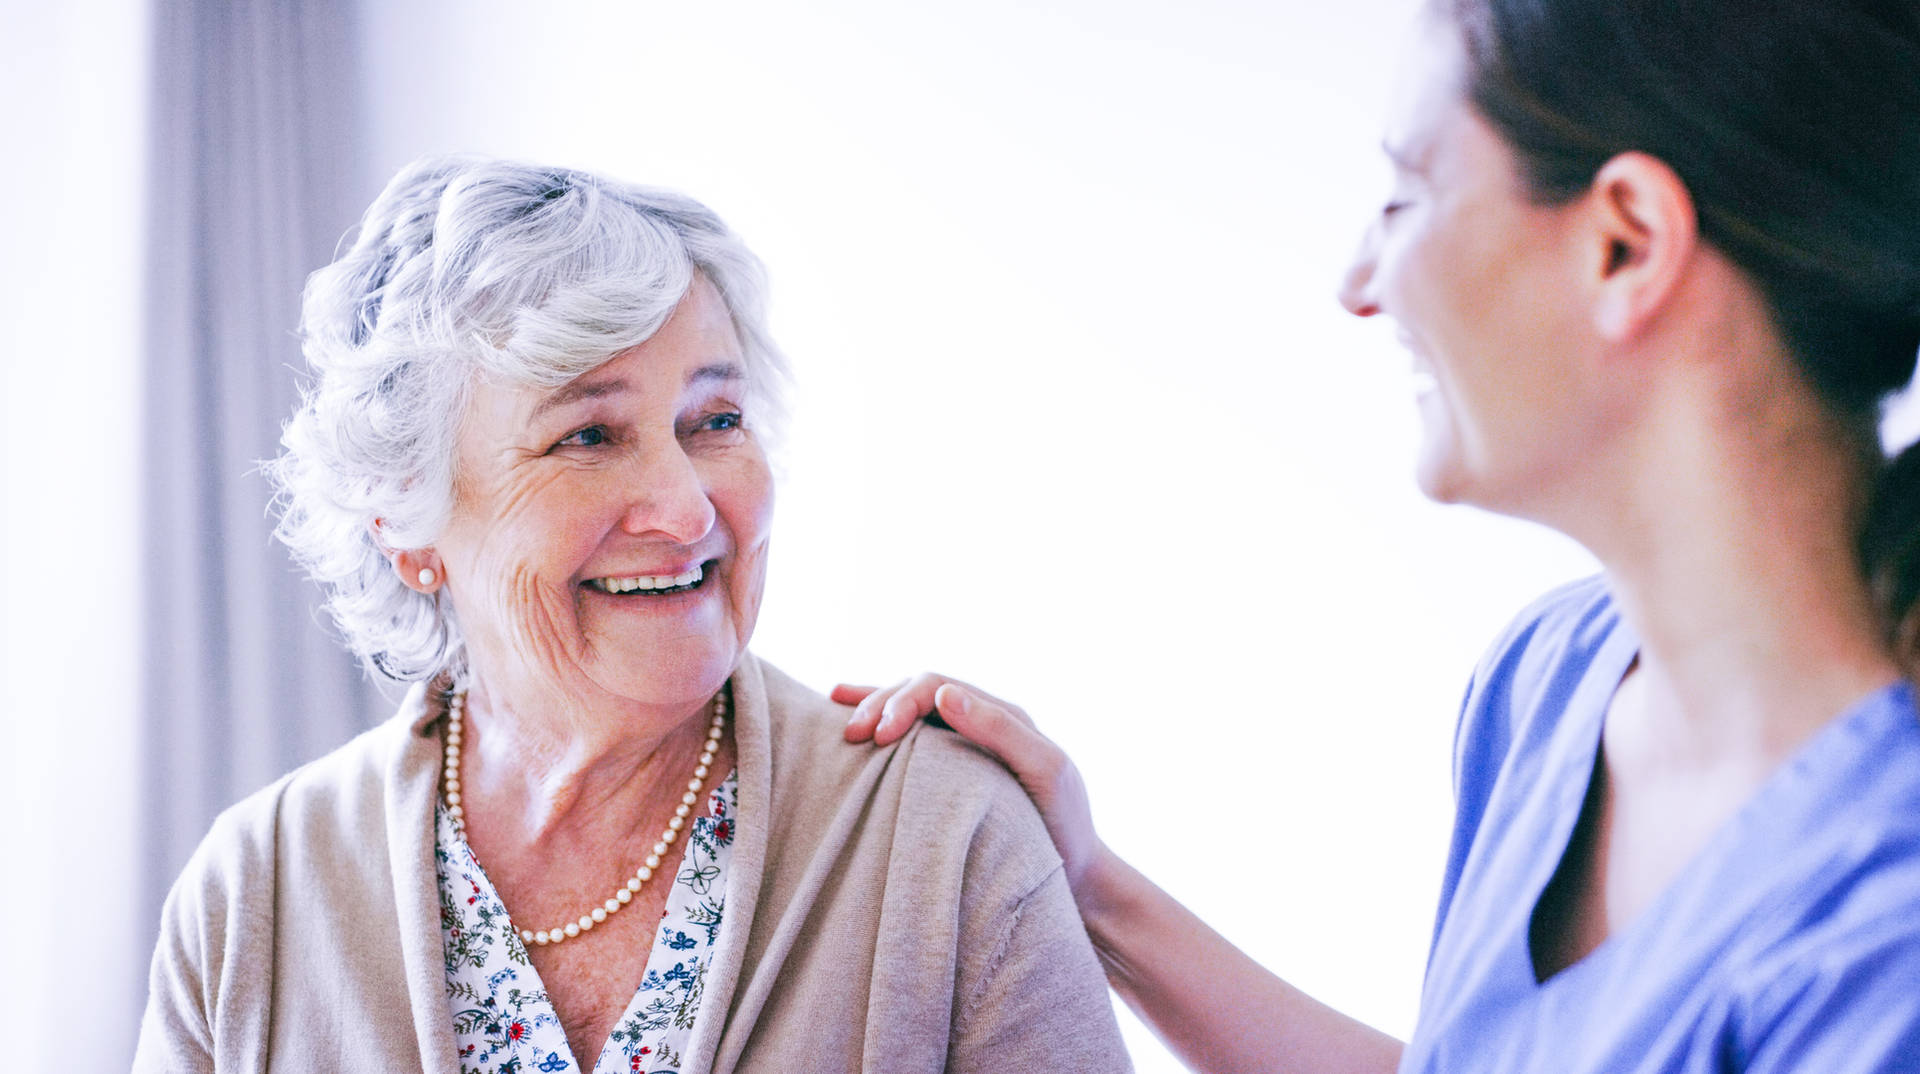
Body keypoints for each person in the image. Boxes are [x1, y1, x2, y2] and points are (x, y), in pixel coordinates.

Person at [845, 0, 1920, 1070]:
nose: (1359, 284)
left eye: (1406, 198)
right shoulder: (1548, 678)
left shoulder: (1884, 933)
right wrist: (1090, 885)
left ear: (1625, 243)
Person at [132, 156, 1129, 1074]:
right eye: (590, 434)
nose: (689, 508)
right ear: (406, 515)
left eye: (716, 422)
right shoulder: (251, 896)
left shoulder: (944, 841)